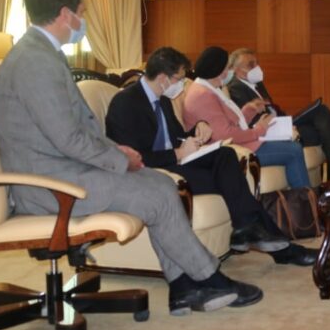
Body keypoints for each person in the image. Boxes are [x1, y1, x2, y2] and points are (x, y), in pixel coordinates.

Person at [0, 0, 259, 317]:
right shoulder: (34, 63)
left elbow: (71, 131)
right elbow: (67, 137)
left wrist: (117, 153)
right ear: (64, 14)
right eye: (81, 12)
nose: (83, 20)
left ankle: (183, 288)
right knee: (157, 195)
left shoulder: (40, 54)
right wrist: (118, 158)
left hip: (63, 171)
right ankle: (209, 279)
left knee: (162, 184)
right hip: (49, 185)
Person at [105, 46, 318, 267]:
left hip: (177, 162)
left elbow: (177, 136)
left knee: (225, 155)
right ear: (162, 78)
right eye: (179, 79)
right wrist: (178, 153)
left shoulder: (163, 100)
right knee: (234, 184)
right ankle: (278, 247)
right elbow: (133, 159)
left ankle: (247, 229)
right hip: (153, 171)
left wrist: (198, 128)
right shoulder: (125, 103)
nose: (182, 84)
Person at [183, 46, 310, 189]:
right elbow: (224, 135)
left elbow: (230, 122)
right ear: (218, 70)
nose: (229, 72)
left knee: (291, 144)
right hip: (232, 151)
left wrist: (249, 110)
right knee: (293, 150)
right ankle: (305, 198)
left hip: (237, 145)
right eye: (227, 68)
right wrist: (259, 130)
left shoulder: (209, 88)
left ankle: (299, 196)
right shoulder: (202, 95)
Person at [227, 48, 330, 173]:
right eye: (250, 65)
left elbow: (271, 107)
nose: (256, 67)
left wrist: (286, 119)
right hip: (270, 128)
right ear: (236, 69)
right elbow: (252, 119)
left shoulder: (257, 84)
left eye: (256, 63)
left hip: (281, 122)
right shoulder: (235, 87)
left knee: (319, 119)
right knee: (319, 120)